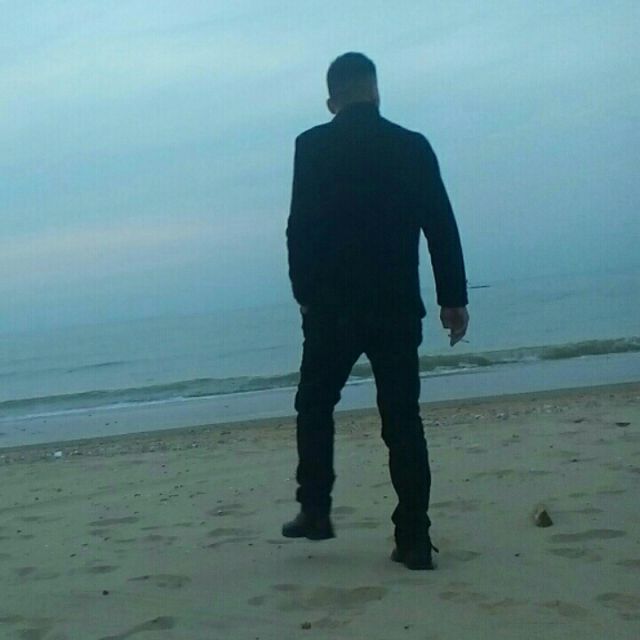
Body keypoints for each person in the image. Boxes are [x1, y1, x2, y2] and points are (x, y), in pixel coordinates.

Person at [282, 52, 469, 570]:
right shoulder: (411, 146)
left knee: (314, 405)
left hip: (331, 309)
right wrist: (452, 299)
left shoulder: (311, 146)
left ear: (332, 101)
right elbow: (440, 225)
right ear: (376, 91)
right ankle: (414, 538)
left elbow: (299, 228)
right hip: (395, 307)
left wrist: (303, 292)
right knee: (402, 420)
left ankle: (315, 509)